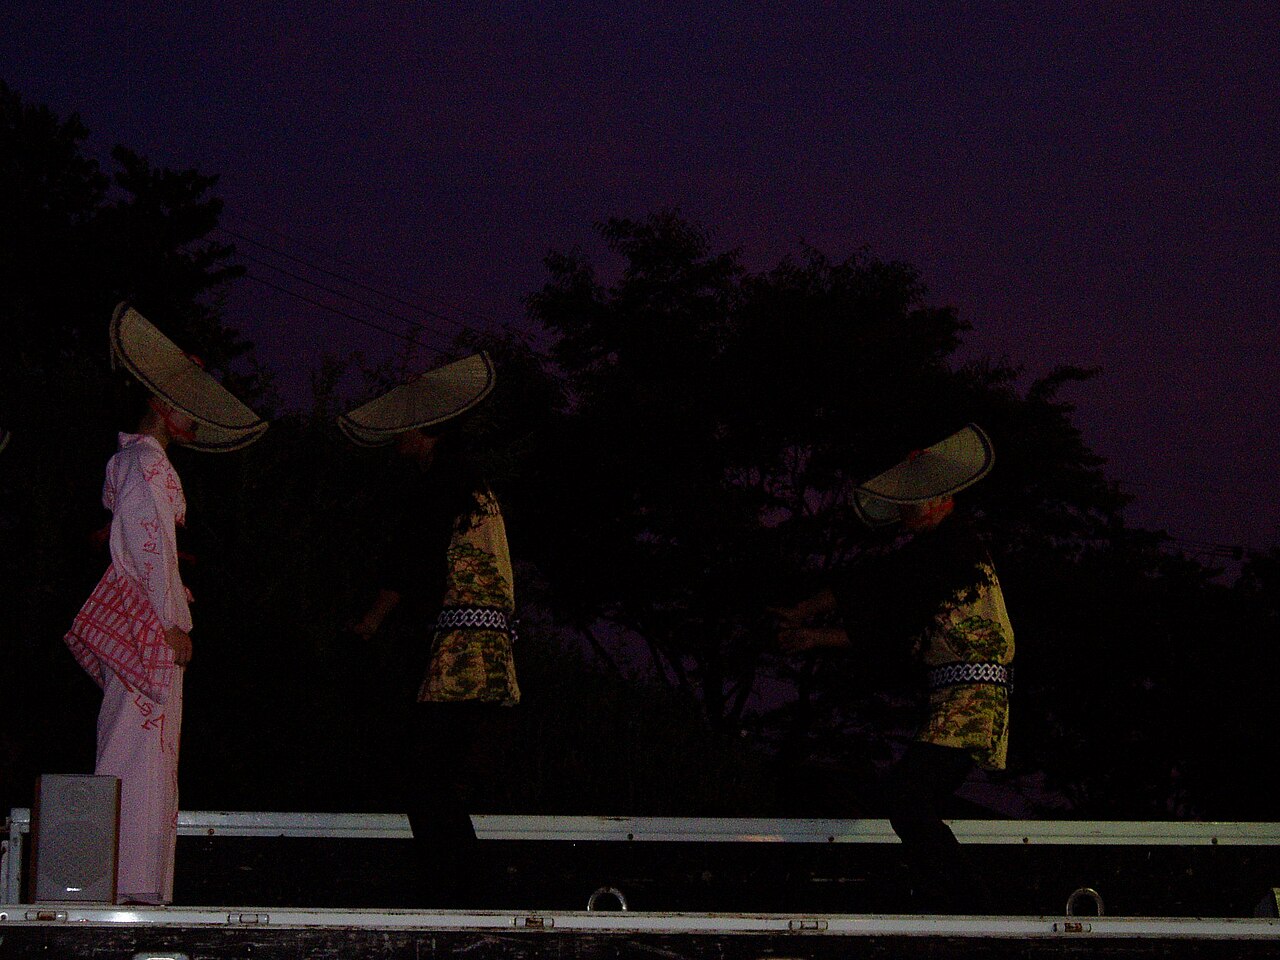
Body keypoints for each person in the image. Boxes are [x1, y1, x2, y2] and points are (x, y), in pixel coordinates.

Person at [63, 303, 267, 905]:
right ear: (159, 404)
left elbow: (146, 548)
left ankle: (134, 883)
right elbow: (143, 545)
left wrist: (175, 596)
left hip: (147, 617)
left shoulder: (142, 466)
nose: (196, 417)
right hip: (146, 625)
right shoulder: (146, 466)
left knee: (142, 745)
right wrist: (162, 622)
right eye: (187, 403)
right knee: (138, 748)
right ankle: (129, 887)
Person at [773, 423, 1013, 915]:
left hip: (972, 700)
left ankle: (972, 903)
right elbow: (887, 617)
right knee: (905, 798)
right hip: (954, 698)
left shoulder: (954, 548)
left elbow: (880, 599)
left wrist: (808, 619)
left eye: (915, 500)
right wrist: (811, 626)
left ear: (944, 500)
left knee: (906, 798)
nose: (906, 512)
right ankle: (950, 893)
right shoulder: (938, 560)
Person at [339, 352, 519, 909]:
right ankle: (459, 890)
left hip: (463, 658)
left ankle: (460, 895)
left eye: (405, 425)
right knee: (433, 774)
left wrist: (370, 620)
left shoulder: (444, 487)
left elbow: (411, 563)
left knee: (425, 775)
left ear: (424, 432)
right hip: (484, 655)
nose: (397, 434)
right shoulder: (469, 484)